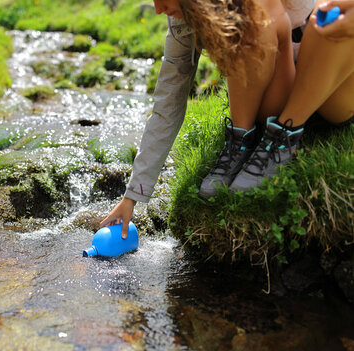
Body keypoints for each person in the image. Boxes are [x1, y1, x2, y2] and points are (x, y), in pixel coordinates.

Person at [100, 0, 354, 238]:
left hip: (332, 85)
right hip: (281, 88)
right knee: (242, 18)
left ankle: (283, 137)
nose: (157, 9)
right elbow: (168, 103)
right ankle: (240, 142)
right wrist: (132, 195)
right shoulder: (185, 20)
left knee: (322, 21)